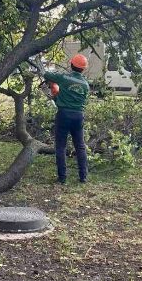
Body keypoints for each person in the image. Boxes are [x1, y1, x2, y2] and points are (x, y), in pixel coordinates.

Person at [43, 54, 90, 184]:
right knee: (80, 146)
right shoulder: (86, 85)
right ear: (83, 69)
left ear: (71, 65)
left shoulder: (64, 78)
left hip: (64, 114)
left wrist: (54, 86)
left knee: (61, 147)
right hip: (78, 115)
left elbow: (46, 75)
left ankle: (62, 177)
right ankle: (83, 176)